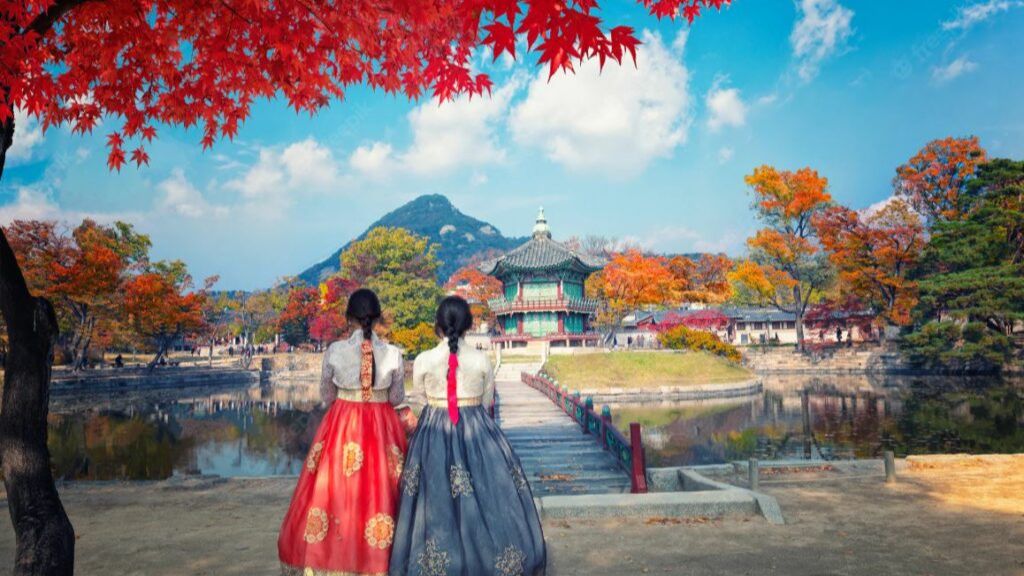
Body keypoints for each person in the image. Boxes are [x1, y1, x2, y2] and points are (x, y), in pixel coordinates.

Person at [390, 296, 546, 576]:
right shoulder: (481, 360)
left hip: (433, 433)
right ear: (468, 325)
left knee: (432, 500)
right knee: (490, 497)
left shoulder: (424, 360)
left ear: (437, 324)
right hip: (478, 432)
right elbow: (487, 402)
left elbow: (419, 400)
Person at [278, 288, 408, 576]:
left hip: (343, 425)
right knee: (382, 490)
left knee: (335, 490)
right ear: (377, 318)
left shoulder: (335, 351)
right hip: (381, 427)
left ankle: (334, 559)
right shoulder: (394, 354)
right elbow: (397, 398)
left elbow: (327, 394)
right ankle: (381, 562)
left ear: (349, 317)